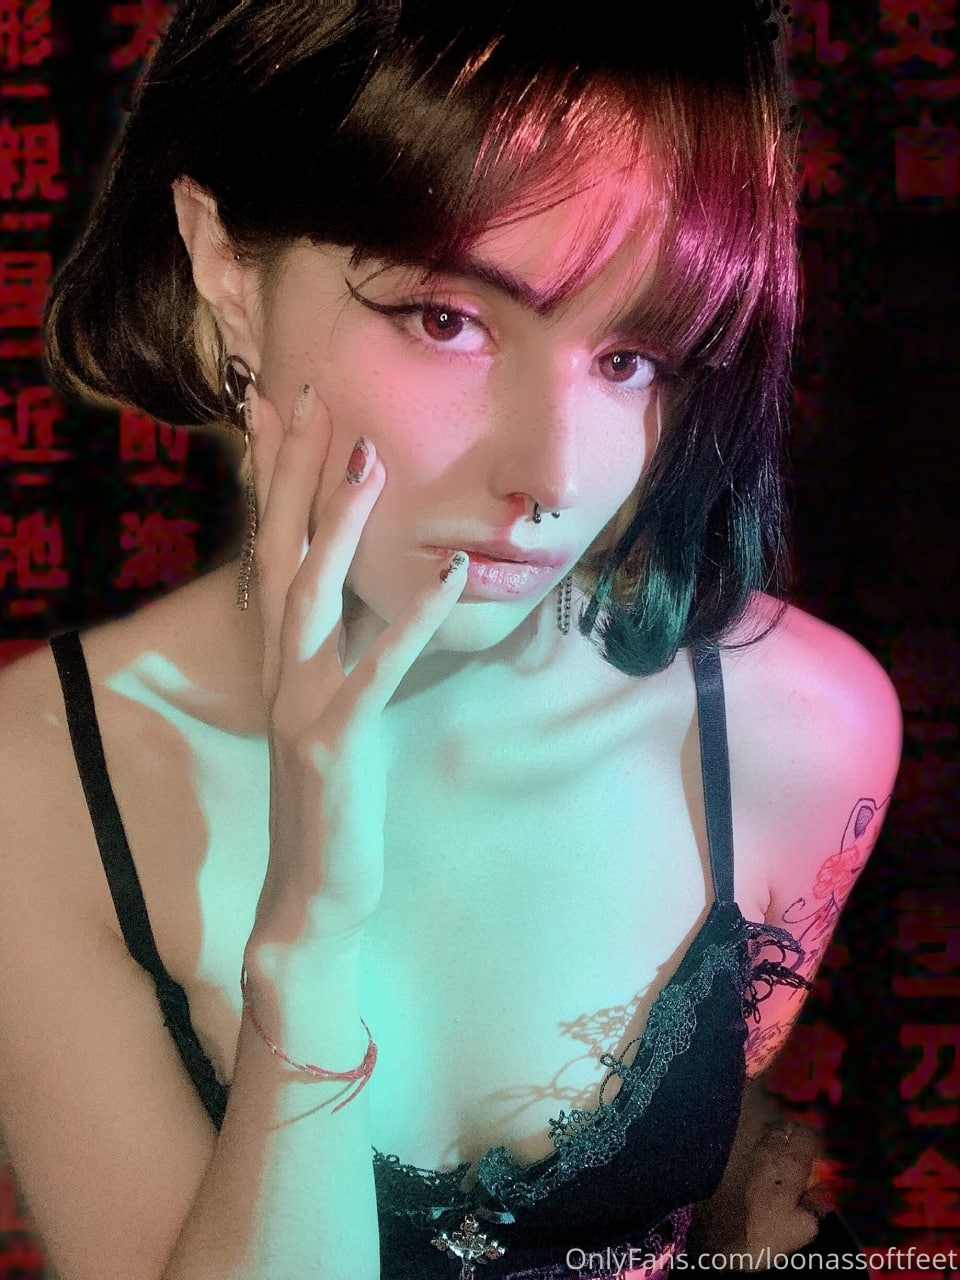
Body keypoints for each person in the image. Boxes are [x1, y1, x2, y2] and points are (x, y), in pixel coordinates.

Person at [0, 2, 902, 1278]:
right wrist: (308, 941)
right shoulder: (38, 785)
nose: (553, 473)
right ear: (225, 266)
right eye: (447, 321)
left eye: (633, 357)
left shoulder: (798, 728)